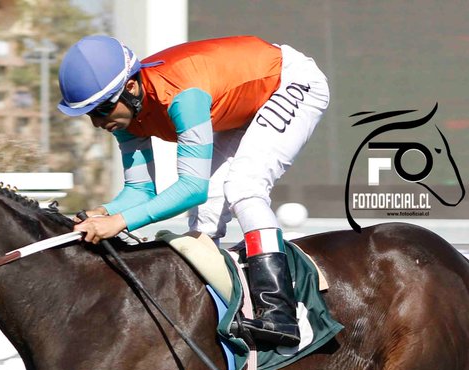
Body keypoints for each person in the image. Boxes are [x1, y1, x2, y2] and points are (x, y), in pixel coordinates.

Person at [57, 34, 329, 349]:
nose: (96, 123)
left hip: (289, 81)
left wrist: (119, 222)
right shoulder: (126, 117)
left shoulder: (183, 97)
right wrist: (102, 213)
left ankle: (279, 312)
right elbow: (140, 192)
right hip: (237, 105)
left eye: (101, 110)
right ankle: (211, 308)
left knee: (244, 185)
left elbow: (191, 188)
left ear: (130, 88)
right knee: (205, 219)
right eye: (89, 114)